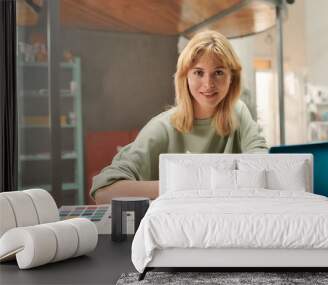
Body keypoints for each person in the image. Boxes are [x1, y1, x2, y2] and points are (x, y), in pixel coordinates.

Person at [91, 30, 268, 204]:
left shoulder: (239, 112)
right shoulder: (162, 127)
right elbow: (104, 192)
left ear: (232, 78)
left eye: (219, 72)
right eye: (198, 72)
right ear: (185, 77)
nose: (208, 84)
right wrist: (185, 186)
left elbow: (262, 166)